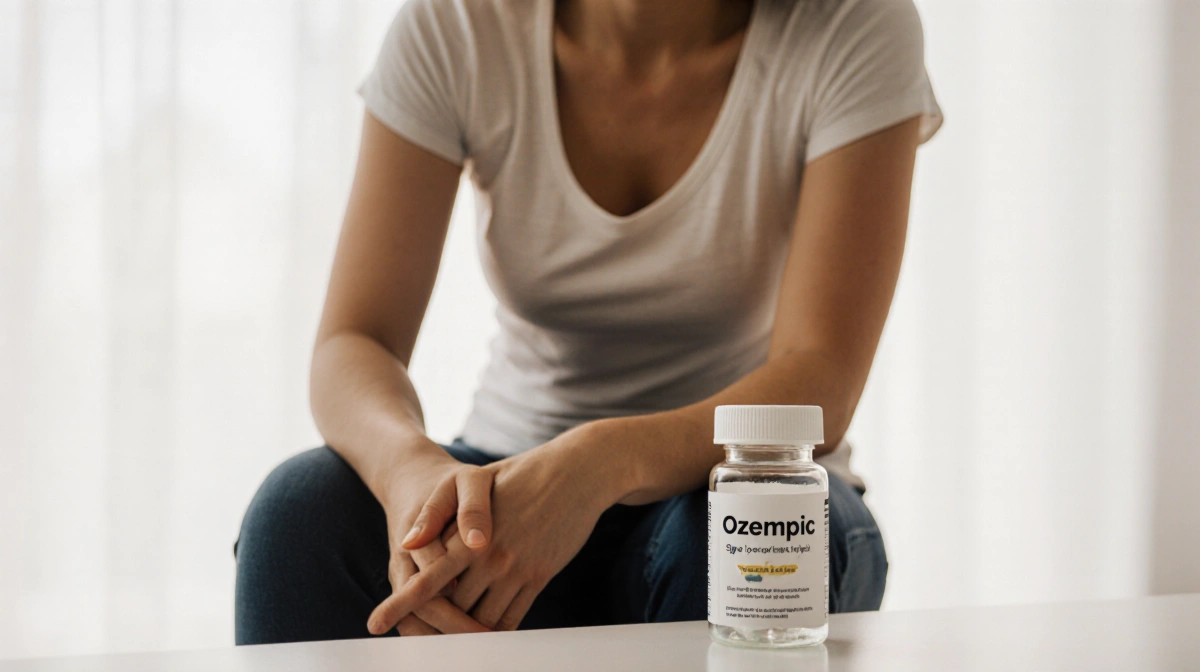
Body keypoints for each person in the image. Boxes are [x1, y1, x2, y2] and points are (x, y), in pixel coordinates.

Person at [234, 0, 942, 644]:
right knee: (299, 517)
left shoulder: (853, 23)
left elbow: (821, 377)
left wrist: (599, 464)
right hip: (507, 477)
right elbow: (356, 339)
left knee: (735, 543)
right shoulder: (456, 24)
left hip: (734, 479)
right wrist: (411, 474)